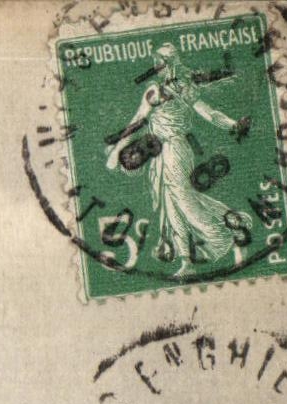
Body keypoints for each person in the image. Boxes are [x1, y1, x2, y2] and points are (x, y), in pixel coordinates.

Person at [104, 43, 251, 274]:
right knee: (170, 205)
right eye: (156, 63)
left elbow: (209, 113)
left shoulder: (185, 90)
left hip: (176, 150)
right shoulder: (156, 91)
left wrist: (233, 124)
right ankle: (188, 260)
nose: (157, 67)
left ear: (169, 64)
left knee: (183, 200)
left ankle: (220, 237)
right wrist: (117, 149)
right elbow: (137, 120)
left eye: (160, 63)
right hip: (159, 155)